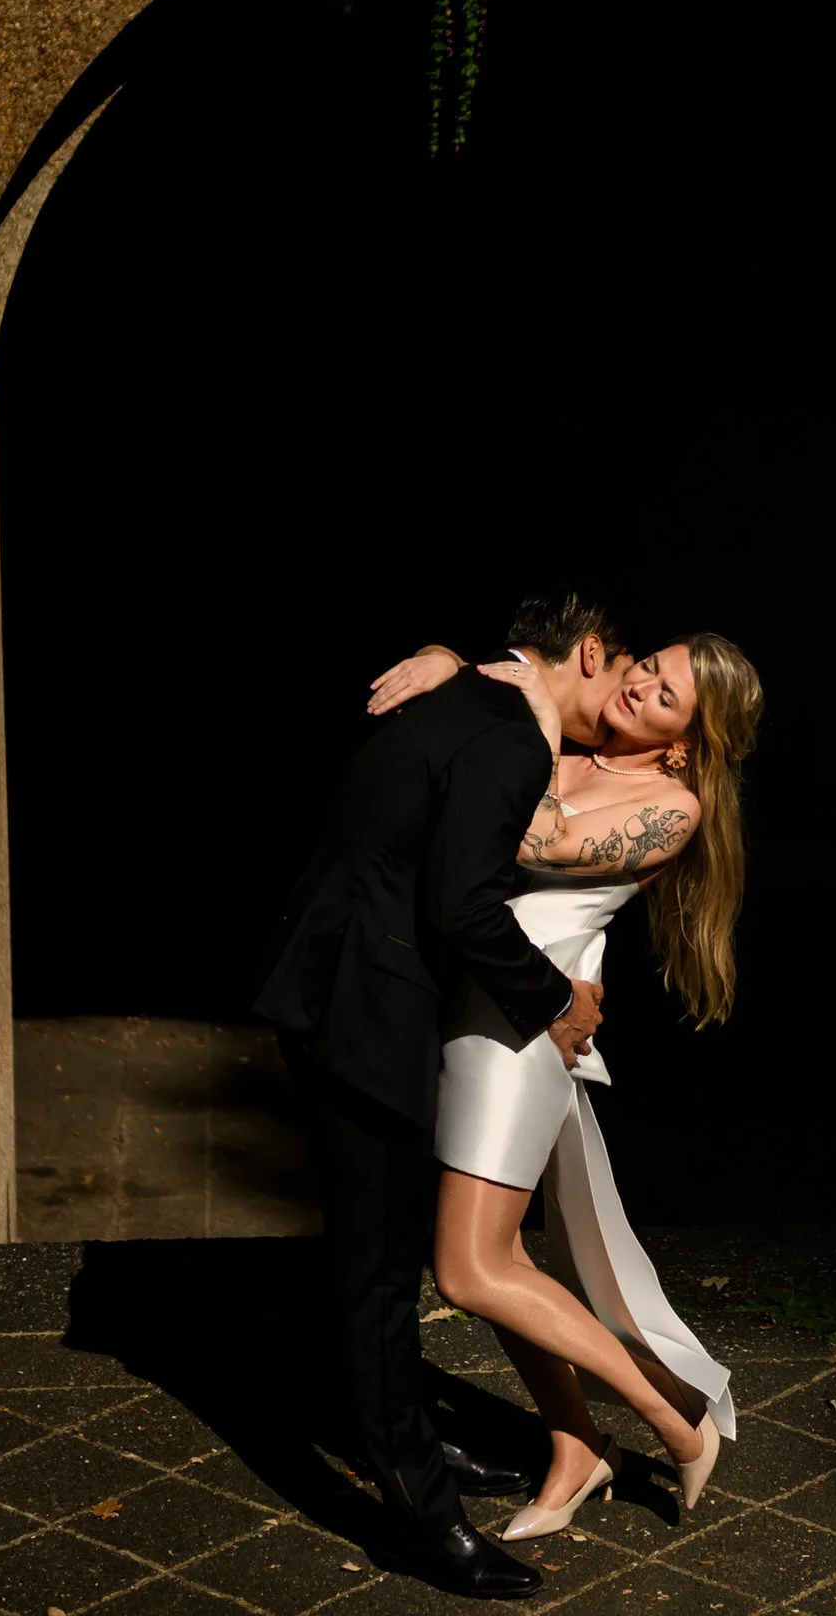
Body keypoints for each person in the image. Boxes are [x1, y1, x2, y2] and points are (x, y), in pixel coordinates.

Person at [254, 592, 623, 1598]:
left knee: (382, 1253)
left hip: (326, 977)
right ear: (590, 652)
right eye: (622, 674)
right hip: (364, 1011)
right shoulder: (510, 740)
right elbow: (464, 908)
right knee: (378, 1276)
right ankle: (423, 1521)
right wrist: (558, 1001)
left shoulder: (452, 693)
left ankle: (403, 1437)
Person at [366, 622, 762, 1540]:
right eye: (649, 668)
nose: (639, 687)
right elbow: (501, 692)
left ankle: (677, 1422)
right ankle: (577, 1447)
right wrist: (444, 658)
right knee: (501, 1261)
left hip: (523, 1039)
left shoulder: (670, 807)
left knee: (467, 1270)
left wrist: (542, 724)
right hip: (467, 1011)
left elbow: (534, 841)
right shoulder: (572, 745)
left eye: (665, 697)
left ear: (687, 741)